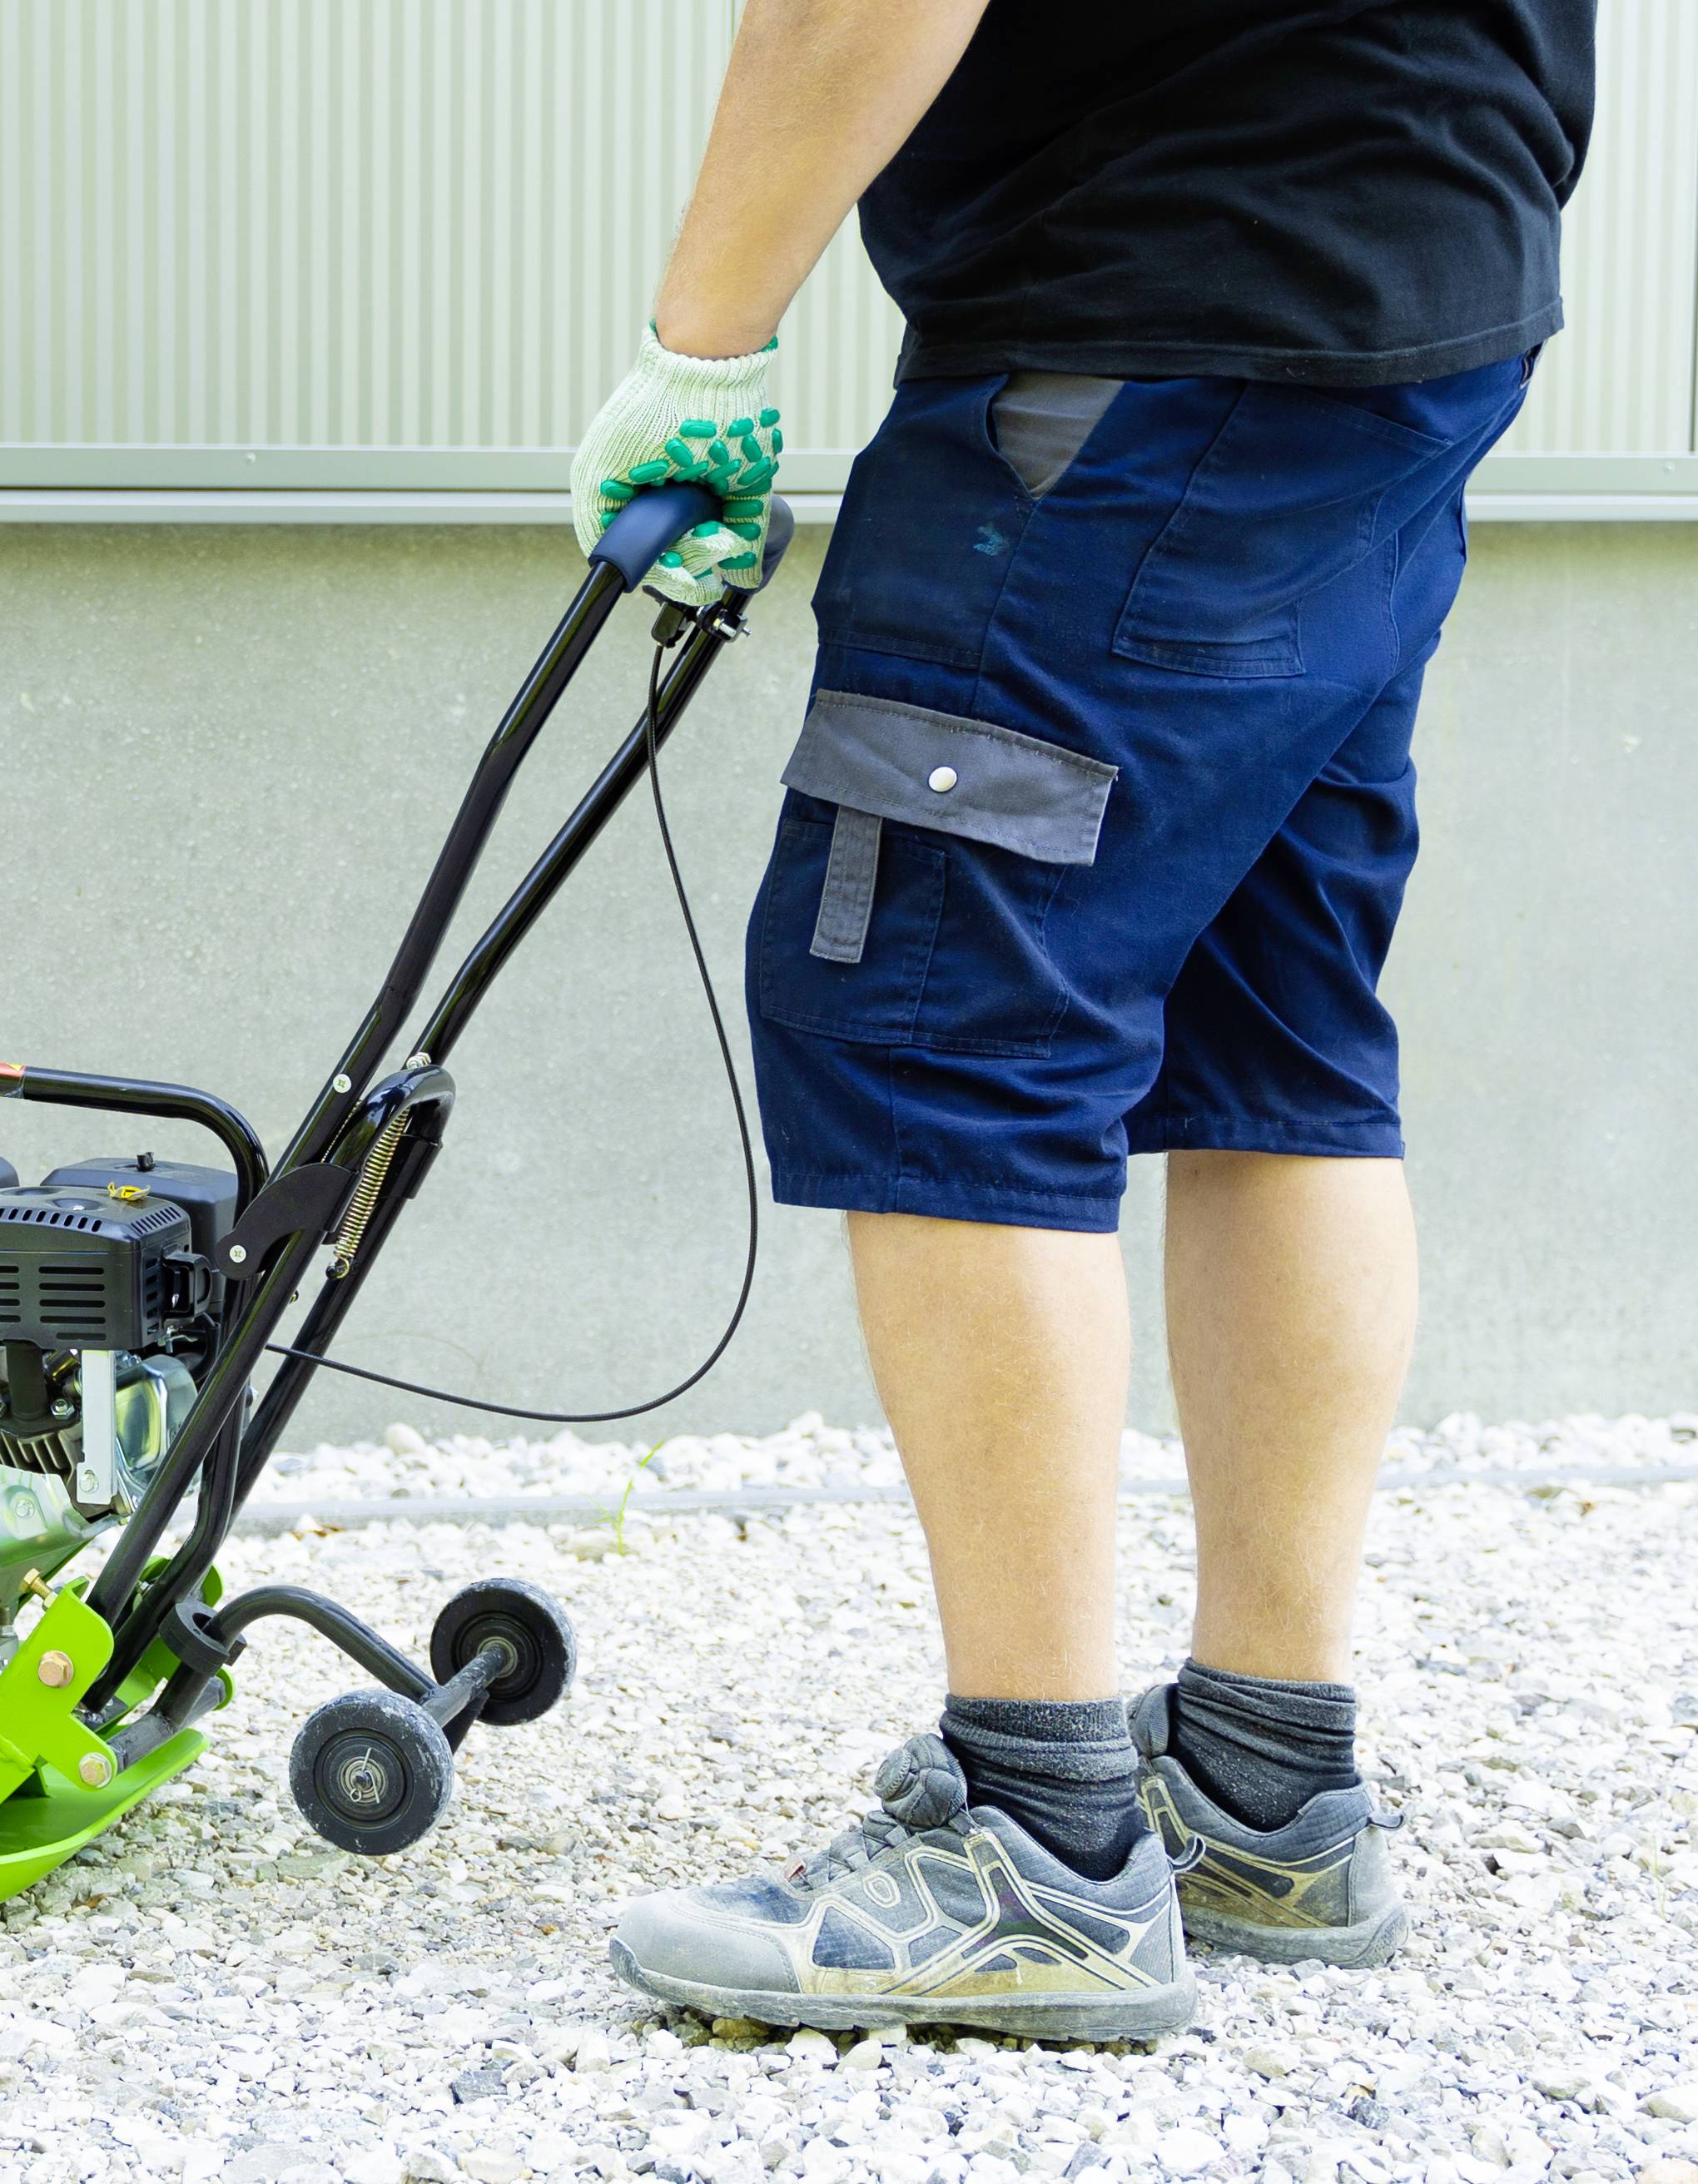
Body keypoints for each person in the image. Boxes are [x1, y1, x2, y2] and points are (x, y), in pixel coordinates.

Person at [572, 0, 1595, 2039]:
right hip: (1406, 316)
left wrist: (705, 340)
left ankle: (1034, 1843)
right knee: (1272, 1029)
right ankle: (1263, 1784)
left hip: (1143, 331)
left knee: (943, 1016)